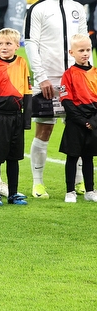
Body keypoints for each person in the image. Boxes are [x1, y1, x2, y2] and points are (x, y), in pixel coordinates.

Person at [24, 0, 89, 199]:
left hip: (76, 80)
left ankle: (80, 182)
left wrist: (85, 73)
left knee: (82, 129)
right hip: (48, 80)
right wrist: (41, 78)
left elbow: (83, 43)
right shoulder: (37, 9)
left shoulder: (78, 8)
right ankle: (38, 183)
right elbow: (31, 44)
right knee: (44, 129)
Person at [0, 28, 32, 206]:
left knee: (14, 158)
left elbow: (27, 91)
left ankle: (13, 193)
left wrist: (26, 119)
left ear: (17, 46)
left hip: (16, 117)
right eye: (0, 44)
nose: (4, 47)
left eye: (8, 43)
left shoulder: (22, 63)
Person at [59, 34, 97, 203]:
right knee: (72, 157)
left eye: (88, 50)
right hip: (76, 122)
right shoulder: (68, 74)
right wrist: (84, 121)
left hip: (93, 120)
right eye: (81, 50)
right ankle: (70, 191)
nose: (85, 53)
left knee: (89, 157)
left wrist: (93, 121)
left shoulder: (95, 73)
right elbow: (66, 102)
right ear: (71, 52)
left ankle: (90, 190)